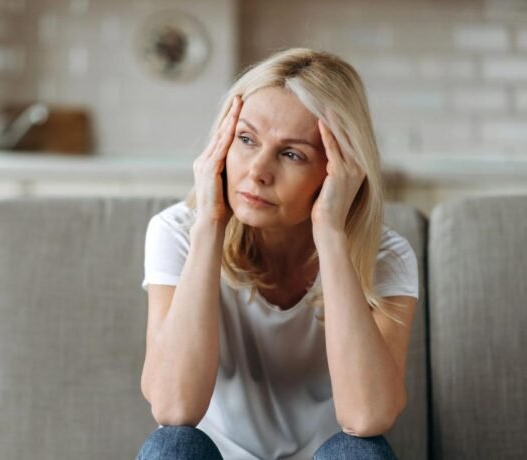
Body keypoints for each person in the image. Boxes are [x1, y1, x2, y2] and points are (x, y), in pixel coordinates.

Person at [136, 48, 419, 460]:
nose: (257, 171)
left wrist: (331, 234)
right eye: (246, 139)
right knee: (172, 446)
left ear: (339, 170)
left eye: (292, 154)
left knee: (359, 453)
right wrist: (210, 224)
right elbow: (173, 408)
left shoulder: (386, 256)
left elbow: (367, 417)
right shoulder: (178, 232)